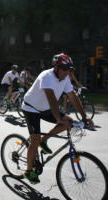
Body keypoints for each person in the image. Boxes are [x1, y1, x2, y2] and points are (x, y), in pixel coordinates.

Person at [21, 53, 94, 184]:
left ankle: (44, 140)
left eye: (68, 69)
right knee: (34, 139)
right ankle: (28, 171)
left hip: (45, 108)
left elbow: (72, 96)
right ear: (56, 68)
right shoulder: (46, 76)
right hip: (31, 107)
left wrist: (84, 116)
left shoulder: (65, 78)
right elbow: (51, 98)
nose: (66, 72)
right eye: (64, 69)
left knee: (69, 121)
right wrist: (58, 118)